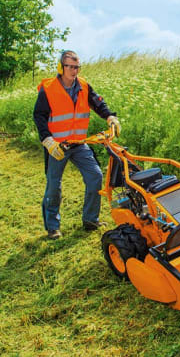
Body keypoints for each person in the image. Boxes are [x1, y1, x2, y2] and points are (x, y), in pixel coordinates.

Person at [33, 50, 121, 240]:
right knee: (54, 186)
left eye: (77, 67)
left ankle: (90, 220)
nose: (74, 71)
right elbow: (39, 116)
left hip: (79, 144)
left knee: (95, 177)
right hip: (58, 146)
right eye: (70, 67)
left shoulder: (83, 86)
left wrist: (110, 116)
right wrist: (48, 141)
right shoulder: (48, 89)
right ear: (60, 67)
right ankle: (52, 227)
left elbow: (98, 103)